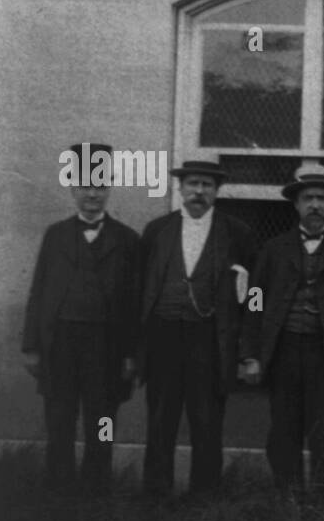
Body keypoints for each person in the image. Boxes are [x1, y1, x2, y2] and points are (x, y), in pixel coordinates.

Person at [238, 162, 324, 501]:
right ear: (296, 204)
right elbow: (254, 303)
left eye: (323, 198)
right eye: (308, 198)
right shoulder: (272, 250)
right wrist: (251, 353)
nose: (315, 205)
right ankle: (288, 499)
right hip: (283, 352)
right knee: (283, 433)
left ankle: (322, 505)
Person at [21, 142, 140, 494]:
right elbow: (38, 292)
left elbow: (134, 303)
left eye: (100, 185)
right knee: (60, 417)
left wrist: (132, 354)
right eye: (85, 185)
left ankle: (95, 488)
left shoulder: (128, 240)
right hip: (60, 344)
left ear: (110, 188)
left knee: (101, 419)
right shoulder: (55, 235)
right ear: (73, 188)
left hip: (106, 347)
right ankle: (59, 489)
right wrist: (31, 346)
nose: (92, 193)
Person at [138, 160, 256, 497]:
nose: (199, 192)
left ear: (217, 191)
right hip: (164, 337)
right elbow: (141, 288)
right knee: (160, 421)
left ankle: (204, 498)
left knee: (206, 423)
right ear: (180, 188)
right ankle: (156, 496)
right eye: (192, 184)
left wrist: (247, 351)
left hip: (209, 342)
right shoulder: (157, 230)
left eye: (206, 185)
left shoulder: (237, 233)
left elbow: (254, 296)